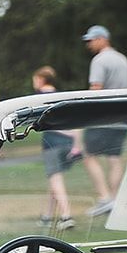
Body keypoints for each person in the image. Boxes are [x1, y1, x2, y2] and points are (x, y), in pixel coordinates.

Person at [81, 24, 127, 216]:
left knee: (88, 156)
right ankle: (114, 199)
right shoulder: (123, 59)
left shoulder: (100, 60)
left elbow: (96, 89)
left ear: (103, 38)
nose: (89, 45)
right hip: (122, 118)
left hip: (103, 118)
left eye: (92, 40)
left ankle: (104, 198)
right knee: (114, 159)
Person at [32, 67, 75, 230]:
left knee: (56, 180)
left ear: (41, 79)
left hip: (52, 143)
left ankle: (66, 215)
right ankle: (47, 216)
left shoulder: (39, 97)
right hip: (67, 143)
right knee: (54, 180)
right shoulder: (60, 96)